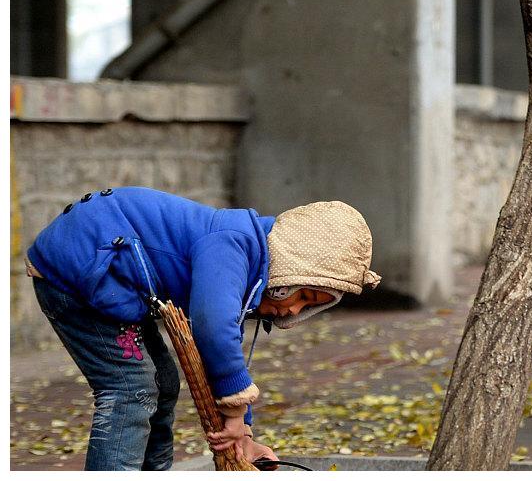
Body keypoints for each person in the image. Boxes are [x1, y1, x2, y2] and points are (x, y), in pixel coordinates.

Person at [25, 186, 381, 470]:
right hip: (78, 275)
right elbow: (213, 330)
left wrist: (244, 434)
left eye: (310, 306)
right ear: (292, 266)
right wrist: (237, 412)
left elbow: (222, 357)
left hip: (111, 282)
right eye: (303, 294)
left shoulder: (247, 261)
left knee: (162, 383)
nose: (293, 309)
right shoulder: (232, 242)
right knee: (131, 388)